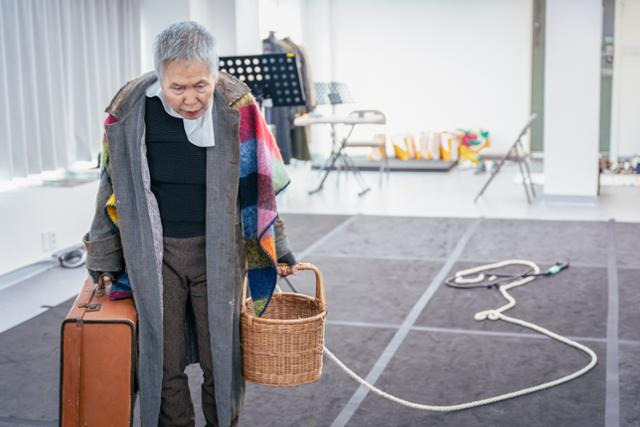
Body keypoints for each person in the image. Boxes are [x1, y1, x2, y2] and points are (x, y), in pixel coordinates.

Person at [82, 21, 298, 427]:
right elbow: (108, 187)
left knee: (223, 354)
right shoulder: (127, 112)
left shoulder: (238, 108)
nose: (190, 99)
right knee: (161, 355)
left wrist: (278, 248)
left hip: (217, 250)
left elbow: (261, 187)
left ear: (216, 73)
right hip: (154, 253)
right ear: (158, 77)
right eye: (177, 88)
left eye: (201, 85)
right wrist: (105, 255)